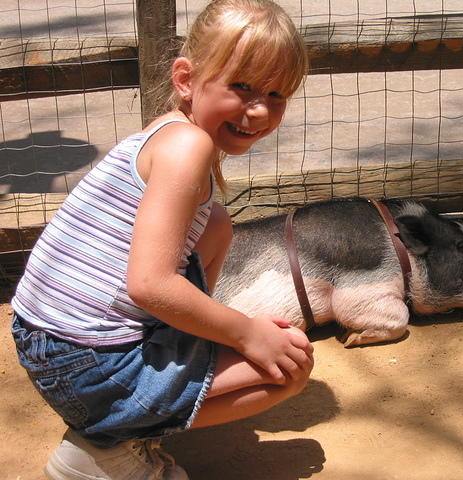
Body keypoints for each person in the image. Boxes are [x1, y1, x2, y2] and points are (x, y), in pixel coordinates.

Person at [10, 1, 313, 479]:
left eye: (277, 94)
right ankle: (105, 447)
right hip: (84, 362)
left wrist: (231, 331)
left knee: (214, 224)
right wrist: (246, 333)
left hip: (49, 339)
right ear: (185, 79)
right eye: (243, 86)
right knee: (288, 370)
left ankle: (124, 416)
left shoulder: (169, 134)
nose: (259, 110)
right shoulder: (187, 147)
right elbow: (149, 285)